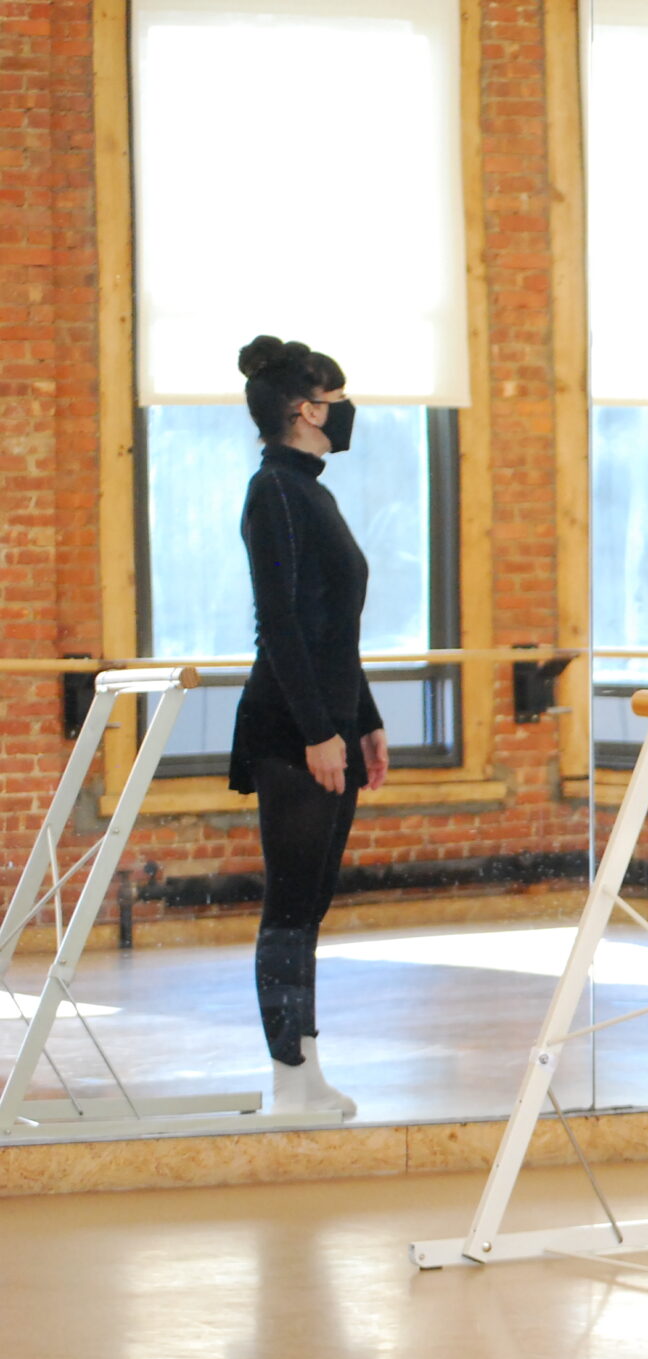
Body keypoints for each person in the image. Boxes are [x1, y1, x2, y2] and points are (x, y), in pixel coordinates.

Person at [230, 336, 386, 1119]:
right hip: (291, 730)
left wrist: (365, 721)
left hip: (327, 724)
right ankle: (290, 1076)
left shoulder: (309, 489)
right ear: (304, 411)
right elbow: (281, 627)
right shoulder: (276, 493)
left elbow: (335, 629)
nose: (344, 410)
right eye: (333, 398)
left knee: (311, 902)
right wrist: (320, 730)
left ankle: (306, 1066)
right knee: (291, 904)